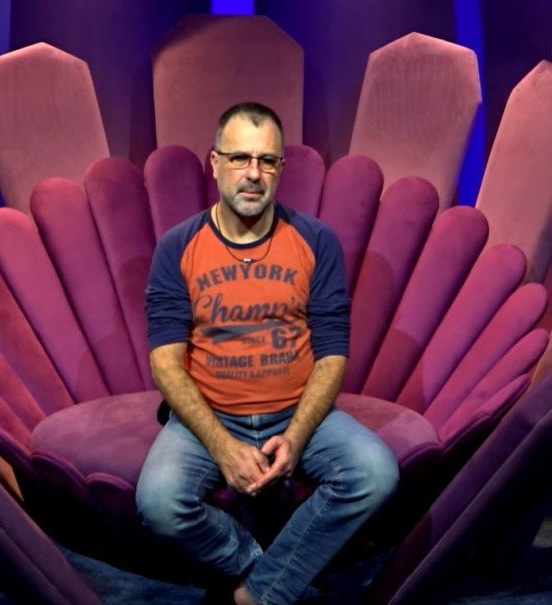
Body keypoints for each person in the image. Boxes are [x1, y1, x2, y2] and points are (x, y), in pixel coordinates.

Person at [136, 102, 399, 605]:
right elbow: (165, 361)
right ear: (215, 163)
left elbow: (332, 354)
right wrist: (222, 446)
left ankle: (257, 593)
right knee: (159, 503)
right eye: (240, 158)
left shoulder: (315, 240)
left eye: (267, 161)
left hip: (296, 411)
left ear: (281, 168)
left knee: (375, 472)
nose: (253, 174)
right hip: (209, 414)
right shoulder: (177, 246)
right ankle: (262, 567)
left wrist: (297, 435)